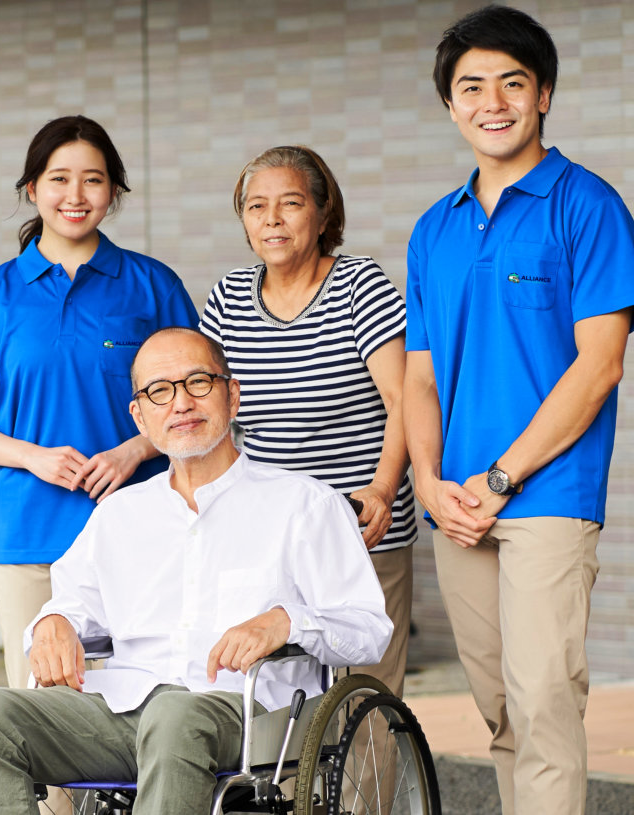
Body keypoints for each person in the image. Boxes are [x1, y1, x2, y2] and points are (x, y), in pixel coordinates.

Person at [0, 327, 391, 815]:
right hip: (121, 711)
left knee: (176, 713)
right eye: (159, 391)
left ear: (232, 395)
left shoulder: (304, 505)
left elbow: (368, 629)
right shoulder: (118, 514)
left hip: (245, 713)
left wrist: (288, 620)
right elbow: (72, 605)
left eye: (198, 382)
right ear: (139, 415)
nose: (180, 403)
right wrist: (54, 624)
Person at [403, 6, 634, 814]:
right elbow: (421, 377)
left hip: (544, 495)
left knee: (543, 700)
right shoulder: (434, 227)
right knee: (501, 710)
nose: (492, 101)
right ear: (450, 106)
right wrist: (432, 482)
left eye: (512, 82)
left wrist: (502, 477)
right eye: (471, 87)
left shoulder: (587, 206)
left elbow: (599, 365)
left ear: (543, 94)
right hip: (458, 503)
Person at [0, 115, 197, 692]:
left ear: (114, 192)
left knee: (139, 701)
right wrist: (33, 457)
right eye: (59, 179)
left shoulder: (153, 286)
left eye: (93, 180)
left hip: (140, 527)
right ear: (33, 189)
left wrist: (132, 451)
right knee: (40, 708)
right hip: (30, 533)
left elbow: (198, 406)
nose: (75, 196)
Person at [200, 145, 415, 697]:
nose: (271, 219)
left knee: (363, 698)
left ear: (323, 215)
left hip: (360, 524)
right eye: (256, 206)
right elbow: (204, 409)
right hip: (270, 533)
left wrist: (383, 490)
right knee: (274, 695)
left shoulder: (358, 286)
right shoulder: (227, 298)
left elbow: (405, 398)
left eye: (290, 203)